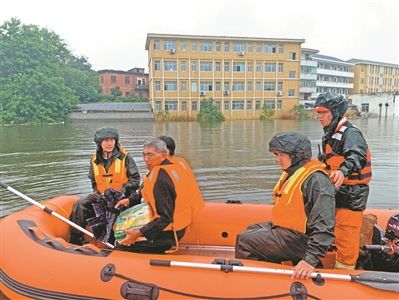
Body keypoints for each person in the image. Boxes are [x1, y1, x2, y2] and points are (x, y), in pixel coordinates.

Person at [235, 132, 335, 279]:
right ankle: (274, 270)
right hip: (290, 232)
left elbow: (324, 223)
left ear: (296, 154)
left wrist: (310, 260)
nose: (278, 159)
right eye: (277, 155)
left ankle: (253, 281)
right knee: (252, 230)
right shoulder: (294, 172)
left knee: (244, 240)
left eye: (282, 154)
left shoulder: (316, 181)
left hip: (302, 239)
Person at [315, 92, 372, 270]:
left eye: (323, 112)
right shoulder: (332, 133)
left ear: (335, 112)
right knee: (335, 230)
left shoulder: (350, 133)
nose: (320, 117)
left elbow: (357, 156)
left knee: (346, 234)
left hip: (352, 194)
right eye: (318, 112)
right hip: (338, 191)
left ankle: (345, 273)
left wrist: (343, 171)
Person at [117, 138, 196, 253]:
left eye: (150, 155)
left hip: (167, 235)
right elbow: (144, 190)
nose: (146, 160)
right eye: (144, 155)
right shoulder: (172, 167)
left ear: (164, 155)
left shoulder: (160, 179)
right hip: (177, 227)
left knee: (120, 245)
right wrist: (130, 200)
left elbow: (165, 218)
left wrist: (138, 233)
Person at [69, 127, 140, 245]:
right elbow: (94, 181)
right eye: (106, 140)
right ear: (99, 142)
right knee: (80, 204)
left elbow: (135, 179)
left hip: (122, 197)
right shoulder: (94, 159)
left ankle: (113, 241)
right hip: (102, 196)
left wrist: (123, 193)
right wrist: (98, 194)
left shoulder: (125, 157)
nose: (110, 143)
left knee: (114, 212)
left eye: (112, 140)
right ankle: (75, 241)